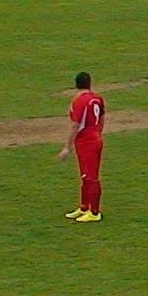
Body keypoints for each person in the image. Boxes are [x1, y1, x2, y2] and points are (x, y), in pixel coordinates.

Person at [59, 72, 106, 223]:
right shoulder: (97, 98)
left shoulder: (78, 101)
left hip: (86, 142)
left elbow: (75, 125)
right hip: (94, 139)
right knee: (85, 176)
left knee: (90, 177)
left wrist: (67, 147)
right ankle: (84, 207)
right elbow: (102, 118)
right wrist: (98, 133)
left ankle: (95, 212)